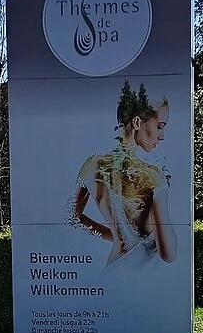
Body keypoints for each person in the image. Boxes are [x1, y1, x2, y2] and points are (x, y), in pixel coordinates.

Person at [72, 81, 175, 264]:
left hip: (112, 268)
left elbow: (73, 217)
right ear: (137, 122)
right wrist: (161, 191)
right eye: (160, 126)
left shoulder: (91, 164)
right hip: (139, 275)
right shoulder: (153, 175)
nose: (163, 136)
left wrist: (118, 238)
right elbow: (169, 254)